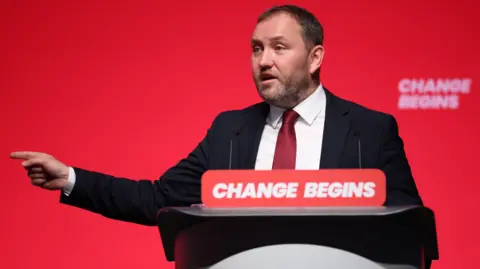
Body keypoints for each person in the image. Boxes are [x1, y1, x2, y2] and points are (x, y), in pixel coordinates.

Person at [10, 5, 423, 226]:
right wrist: (71, 179)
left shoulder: (369, 130)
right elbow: (157, 199)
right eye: (257, 48)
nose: (263, 60)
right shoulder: (231, 131)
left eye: (279, 47)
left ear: (315, 58)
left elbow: (409, 230)